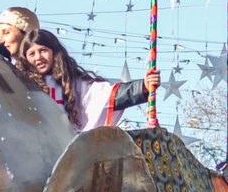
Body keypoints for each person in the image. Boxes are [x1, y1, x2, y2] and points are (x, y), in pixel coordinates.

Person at [21, 28, 152, 130]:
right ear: (25, 58)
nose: (38, 57)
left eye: (43, 50)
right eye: (32, 54)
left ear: (54, 51)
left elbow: (107, 96)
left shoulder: (74, 84)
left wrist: (143, 87)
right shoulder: (22, 85)